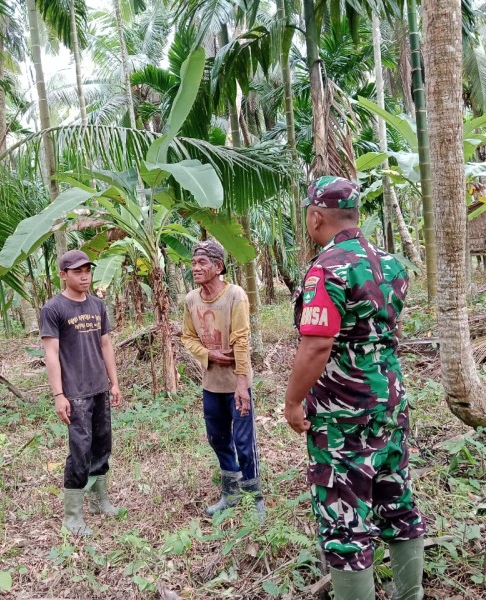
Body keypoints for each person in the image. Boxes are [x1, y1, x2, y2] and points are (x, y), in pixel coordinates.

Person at [284, 177, 427, 600]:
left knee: (345, 522)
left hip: (343, 412)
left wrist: (293, 402)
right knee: (396, 499)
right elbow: (388, 333)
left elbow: (317, 344)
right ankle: (411, 594)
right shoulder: (391, 264)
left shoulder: (328, 268)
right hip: (390, 402)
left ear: (315, 217)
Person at [40, 249, 123, 536]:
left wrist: (114, 382)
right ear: (63, 275)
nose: (85, 276)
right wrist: (58, 395)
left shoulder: (97, 305)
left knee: (102, 444)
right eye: (78, 271)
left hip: (99, 388)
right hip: (74, 392)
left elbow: (105, 345)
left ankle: (100, 500)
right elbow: (51, 354)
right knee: (80, 449)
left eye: (87, 270)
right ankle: (72, 516)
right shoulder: (54, 309)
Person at [181, 240, 264, 517]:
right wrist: (209, 354)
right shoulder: (191, 300)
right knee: (217, 438)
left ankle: (255, 498)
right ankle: (231, 492)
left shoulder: (235, 296)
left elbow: (241, 339)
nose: (196, 268)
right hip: (211, 384)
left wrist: (242, 384)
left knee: (244, 441)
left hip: (236, 384)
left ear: (218, 267)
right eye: (193, 263)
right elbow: (188, 337)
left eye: (202, 262)